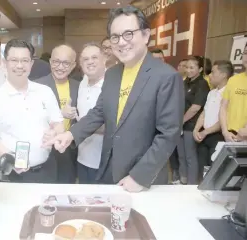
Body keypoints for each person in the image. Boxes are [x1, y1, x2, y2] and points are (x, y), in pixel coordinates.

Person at [46, 6, 184, 192]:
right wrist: (71, 134)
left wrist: (139, 177)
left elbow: (168, 134)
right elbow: (99, 112)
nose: (121, 42)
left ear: (145, 35)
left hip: (142, 179)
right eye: (115, 37)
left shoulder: (166, 77)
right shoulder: (112, 74)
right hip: (108, 171)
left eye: (128, 34)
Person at [0, 39, 64, 183]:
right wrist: (11, 158)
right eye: (14, 60)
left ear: (31, 64)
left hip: (46, 170)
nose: (19, 65)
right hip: (11, 174)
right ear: (5, 63)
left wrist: (55, 133)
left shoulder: (45, 92)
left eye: (25, 60)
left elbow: (59, 124)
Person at [35, 44, 80, 183]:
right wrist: (61, 114)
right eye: (56, 62)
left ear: (73, 65)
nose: (60, 67)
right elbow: (30, 116)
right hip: (44, 149)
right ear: (50, 62)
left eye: (66, 63)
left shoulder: (79, 87)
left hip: (69, 150)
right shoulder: (37, 87)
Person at [193, 60, 233, 179]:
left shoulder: (228, 93)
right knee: (202, 170)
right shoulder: (212, 92)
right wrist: (196, 129)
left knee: (215, 171)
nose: (209, 75)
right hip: (204, 136)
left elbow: (224, 118)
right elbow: (204, 112)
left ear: (223, 75)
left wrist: (205, 132)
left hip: (217, 136)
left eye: (213, 72)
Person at [177, 56, 210, 185]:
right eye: (187, 67)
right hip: (180, 125)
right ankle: (183, 180)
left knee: (190, 157)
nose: (188, 70)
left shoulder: (202, 84)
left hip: (191, 125)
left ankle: (191, 185)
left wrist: (181, 121)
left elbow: (195, 107)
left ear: (200, 69)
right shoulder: (185, 82)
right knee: (181, 155)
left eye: (192, 67)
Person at [76, 42, 106, 184]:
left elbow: (117, 125)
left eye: (94, 57)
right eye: (85, 59)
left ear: (104, 60)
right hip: (82, 157)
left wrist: (82, 128)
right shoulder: (83, 81)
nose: (90, 62)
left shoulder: (111, 85)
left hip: (103, 163)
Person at [220, 45, 247, 142]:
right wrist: (225, 131)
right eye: (245, 53)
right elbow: (223, 106)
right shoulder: (233, 80)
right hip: (230, 135)